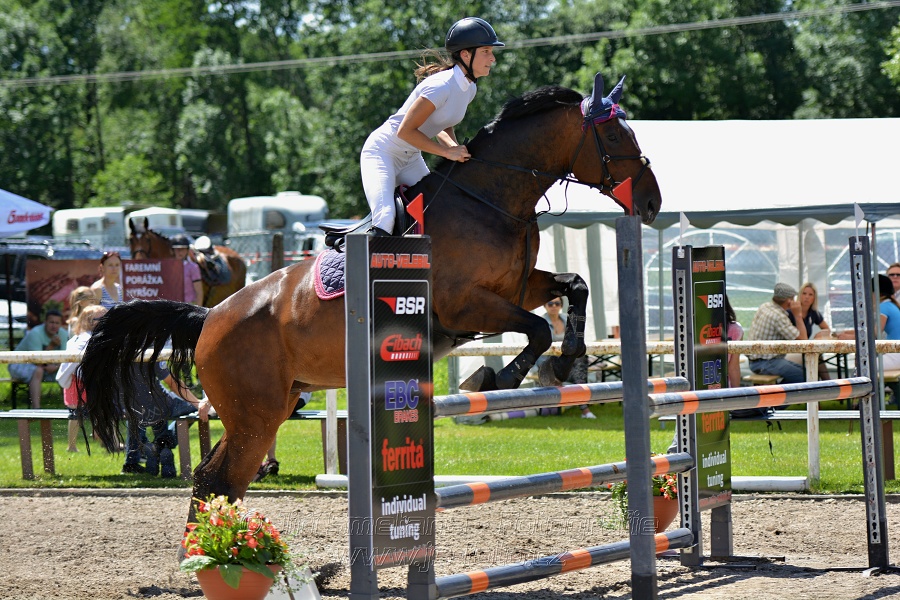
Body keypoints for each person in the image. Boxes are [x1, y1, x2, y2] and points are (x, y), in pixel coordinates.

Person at [360, 17, 504, 235]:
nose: (492, 58)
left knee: (440, 211)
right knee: (385, 218)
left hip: (410, 158)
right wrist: (447, 152)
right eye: (486, 51)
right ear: (466, 54)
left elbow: (443, 125)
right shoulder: (441, 86)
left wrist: (454, 149)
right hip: (382, 153)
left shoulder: (469, 89)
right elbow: (405, 131)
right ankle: (353, 256)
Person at [122, 360, 210, 477]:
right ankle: (162, 444)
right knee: (196, 410)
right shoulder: (151, 354)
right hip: (160, 403)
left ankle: (133, 461)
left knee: (136, 414)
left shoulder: (115, 355)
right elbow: (172, 383)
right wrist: (197, 403)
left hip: (131, 406)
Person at [57, 305, 106, 452]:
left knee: (99, 409)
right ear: (88, 321)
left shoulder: (93, 337)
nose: (105, 321)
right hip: (75, 381)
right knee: (75, 414)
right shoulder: (83, 338)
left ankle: (103, 439)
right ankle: (71, 446)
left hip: (89, 380)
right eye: (101, 319)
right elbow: (74, 360)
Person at [537, 299, 594, 418]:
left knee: (581, 361)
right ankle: (585, 408)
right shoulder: (540, 323)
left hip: (568, 364)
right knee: (580, 368)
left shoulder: (567, 319)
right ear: (544, 306)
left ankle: (584, 406)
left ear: (561, 306)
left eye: (557, 303)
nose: (554, 306)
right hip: (550, 365)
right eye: (550, 304)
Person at [747, 282, 807, 385]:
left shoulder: (765, 306)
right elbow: (804, 342)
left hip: (756, 360)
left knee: (803, 371)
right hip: (766, 362)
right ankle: (778, 393)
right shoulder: (779, 317)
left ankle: (777, 391)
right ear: (789, 301)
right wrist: (798, 315)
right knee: (804, 376)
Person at [8, 309, 68, 408]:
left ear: (60, 324)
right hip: (18, 364)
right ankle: (36, 409)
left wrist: (56, 367)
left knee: (66, 372)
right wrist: (51, 346)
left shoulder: (63, 334)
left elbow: (65, 358)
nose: (54, 326)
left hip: (46, 366)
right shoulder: (35, 333)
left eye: (57, 323)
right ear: (45, 322)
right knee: (38, 371)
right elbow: (37, 360)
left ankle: (70, 407)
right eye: (51, 322)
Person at [253, 391, 312, 482]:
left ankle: (256, 465)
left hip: (293, 396)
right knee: (265, 411)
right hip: (301, 396)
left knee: (262, 412)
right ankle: (269, 460)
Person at [786, 282, 832, 380]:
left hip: (804, 349)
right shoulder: (790, 312)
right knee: (816, 355)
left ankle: (825, 384)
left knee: (816, 355)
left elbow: (827, 329)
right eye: (804, 293)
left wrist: (819, 334)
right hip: (790, 350)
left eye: (810, 294)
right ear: (799, 295)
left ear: (814, 298)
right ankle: (828, 383)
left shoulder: (813, 313)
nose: (807, 297)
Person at [171, 234, 203, 306]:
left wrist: (198, 310)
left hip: (189, 305)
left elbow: (199, 292)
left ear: (187, 250)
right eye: (177, 249)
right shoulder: (169, 268)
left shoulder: (193, 267)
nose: (179, 252)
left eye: (182, 249)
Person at [877, 274, 900, 370]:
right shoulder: (891, 304)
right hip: (895, 351)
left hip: (896, 354)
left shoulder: (883, 307)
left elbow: (875, 333)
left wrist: (849, 337)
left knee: (863, 366)